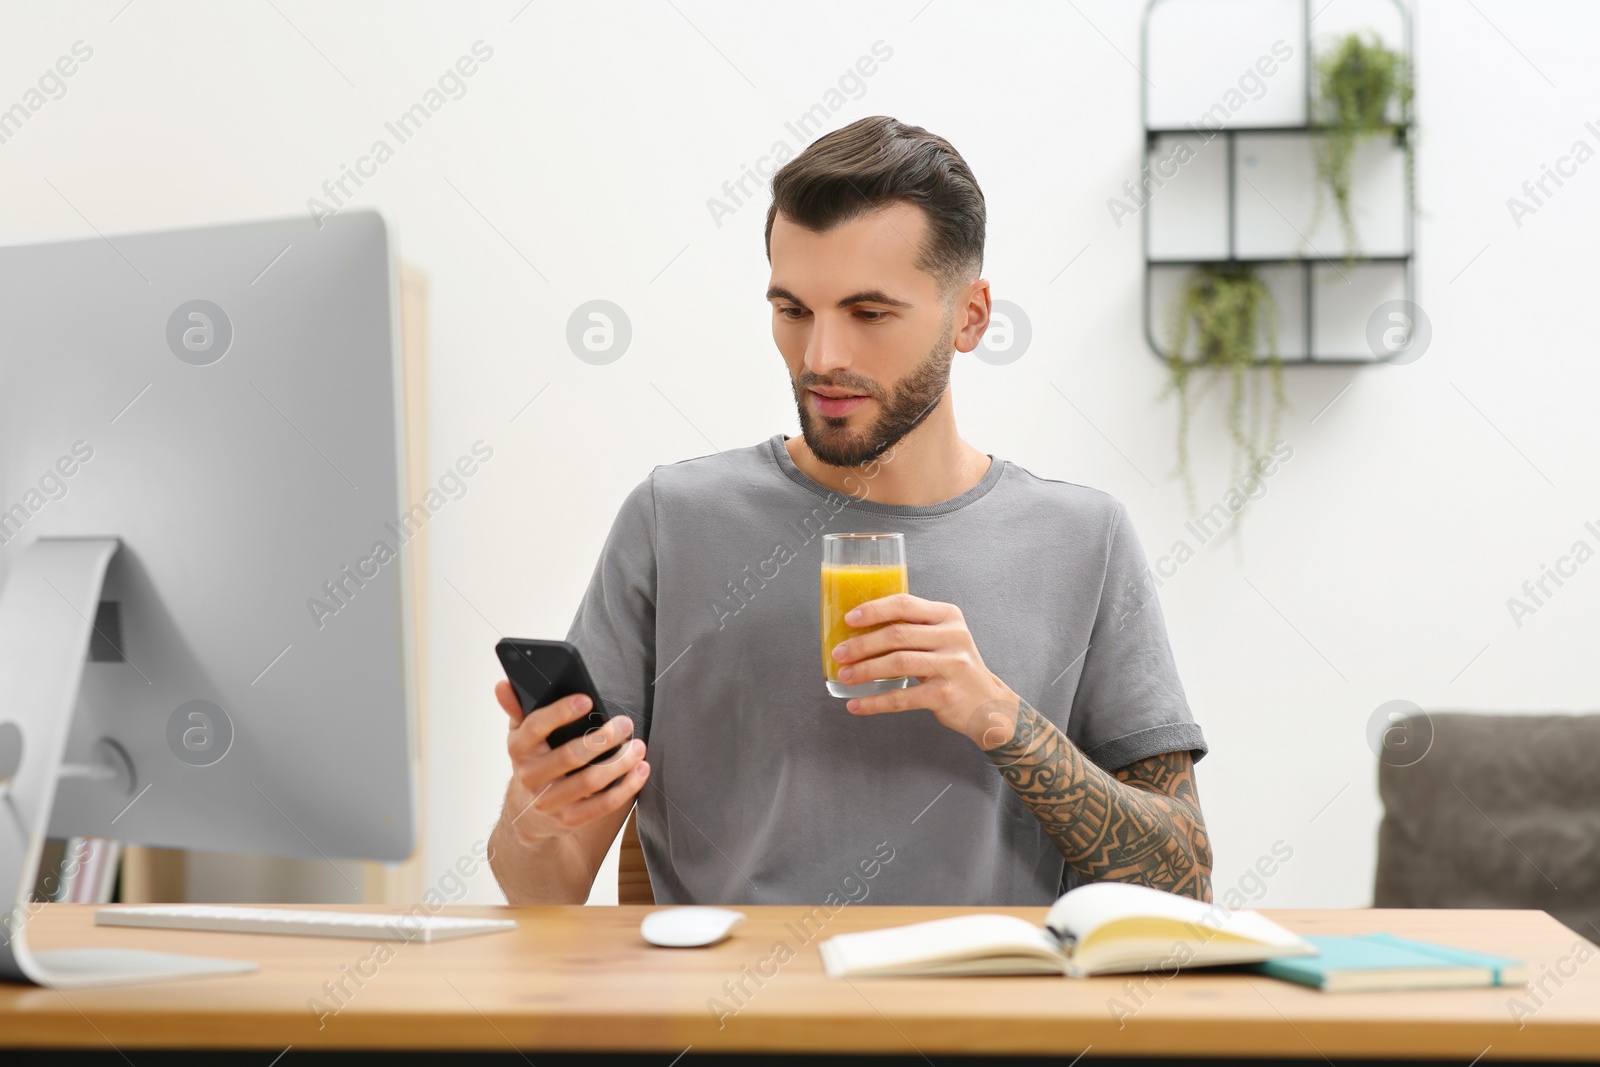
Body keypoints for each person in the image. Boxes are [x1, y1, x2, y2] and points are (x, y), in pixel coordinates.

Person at [489, 115, 1211, 907]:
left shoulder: (1085, 542)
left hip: (983, 1019)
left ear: (970, 316)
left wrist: (1002, 717)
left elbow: (1182, 879)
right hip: (731, 1022)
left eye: (869, 313)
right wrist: (535, 817)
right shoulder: (673, 521)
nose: (821, 356)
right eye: (793, 310)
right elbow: (543, 889)